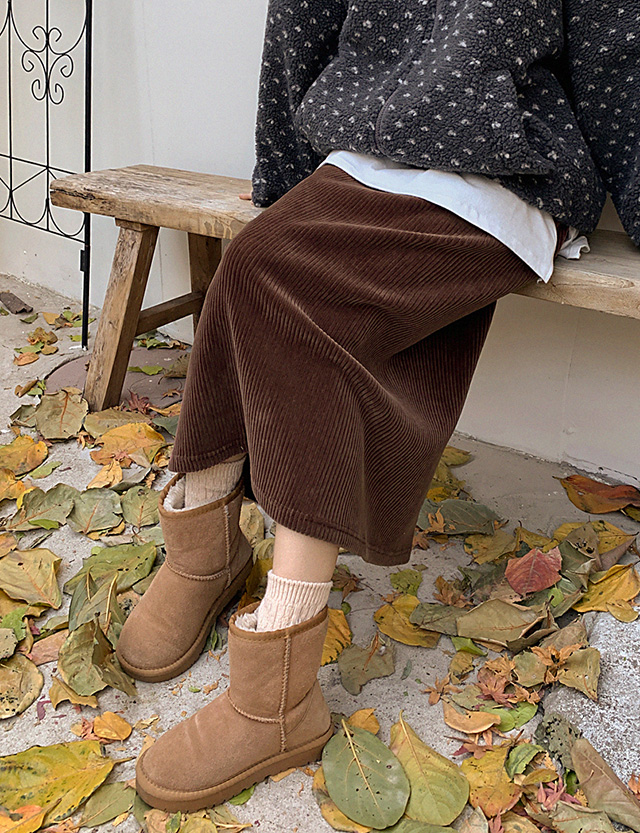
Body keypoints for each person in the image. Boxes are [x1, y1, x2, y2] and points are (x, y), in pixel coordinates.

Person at [115, 0, 639, 814]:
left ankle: (279, 693)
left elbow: (616, 55)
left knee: (292, 292)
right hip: (367, 153)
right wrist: (282, 176)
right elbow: (299, 23)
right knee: (252, 263)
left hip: (503, 171)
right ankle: (205, 550)